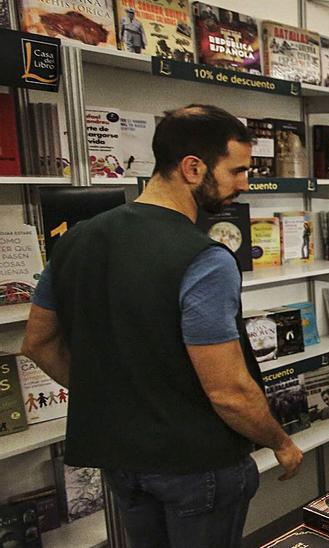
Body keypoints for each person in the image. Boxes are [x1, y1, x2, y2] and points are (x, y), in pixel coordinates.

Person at [20, 105, 303, 547]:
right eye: (237, 170)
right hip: (199, 466)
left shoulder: (75, 240)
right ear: (193, 168)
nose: (245, 184)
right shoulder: (205, 259)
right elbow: (229, 393)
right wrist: (281, 443)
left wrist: (115, 398)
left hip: (122, 462)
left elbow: (37, 343)